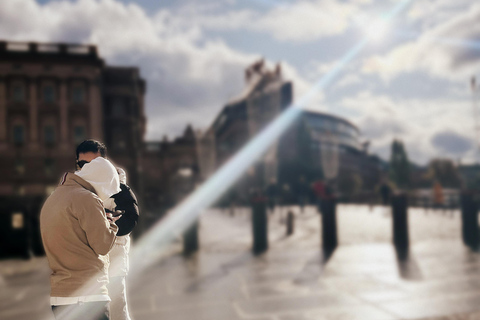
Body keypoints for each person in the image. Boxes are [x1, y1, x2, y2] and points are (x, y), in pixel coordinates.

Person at [40, 155, 120, 320]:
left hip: (60, 296)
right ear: (102, 183)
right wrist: (110, 222)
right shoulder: (87, 198)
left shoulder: (53, 199)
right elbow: (103, 245)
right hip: (88, 295)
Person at [76, 140, 139, 320]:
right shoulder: (75, 185)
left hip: (113, 259)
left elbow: (130, 219)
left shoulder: (117, 183)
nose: (88, 168)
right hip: (85, 262)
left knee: (117, 306)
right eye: (83, 164)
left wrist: (105, 229)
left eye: (94, 163)